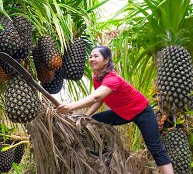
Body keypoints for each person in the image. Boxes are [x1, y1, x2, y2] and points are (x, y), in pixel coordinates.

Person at [56, 46, 174, 174]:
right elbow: (100, 101)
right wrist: (86, 116)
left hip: (142, 112)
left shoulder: (112, 79)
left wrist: (70, 107)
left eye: (96, 56)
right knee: (93, 121)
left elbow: (97, 96)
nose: (91, 59)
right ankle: (100, 153)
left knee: (155, 148)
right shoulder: (97, 78)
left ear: (106, 60)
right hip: (122, 113)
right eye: (90, 56)